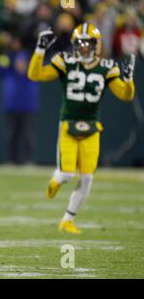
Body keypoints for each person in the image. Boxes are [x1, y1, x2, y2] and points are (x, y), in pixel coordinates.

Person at [28, 23, 136, 234]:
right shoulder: (66, 62)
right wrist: (40, 50)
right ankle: (56, 179)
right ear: (74, 45)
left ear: (97, 45)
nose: (85, 48)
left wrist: (129, 79)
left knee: (87, 178)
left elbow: (125, 95)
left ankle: (67, 220)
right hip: (68, 124)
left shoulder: (106, 67)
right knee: (67, 174)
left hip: (92, 128)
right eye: (81, 43)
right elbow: (35, 75)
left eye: (88, 43)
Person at [0, 48, 38, 165]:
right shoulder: (9, 73)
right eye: (19, 62)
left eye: (23, 62)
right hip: (12, 109)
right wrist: (5, 57)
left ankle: (29, 160)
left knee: (28, 136)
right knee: (11, 136)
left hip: (28, 109)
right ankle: (11, 159)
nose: (20, 65)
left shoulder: (32, 74)